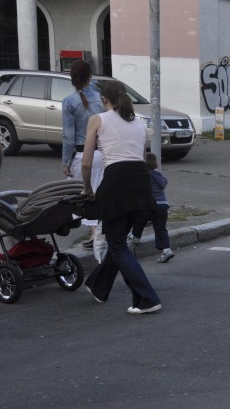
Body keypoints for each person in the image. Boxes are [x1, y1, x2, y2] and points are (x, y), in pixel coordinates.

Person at [82, 80, 162, 314]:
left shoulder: (97, 119)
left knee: (116, 244)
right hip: (141, 183)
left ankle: (147, 298)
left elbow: (86, 163)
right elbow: (141, 156)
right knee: (118, 240)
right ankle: (99, 286)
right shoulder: (138, 122)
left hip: (117, 183)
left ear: (104, 99)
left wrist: (87, 189)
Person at [61, 60, 106, 262]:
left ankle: (99, 246)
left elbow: (68, 136)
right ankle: (98, 238)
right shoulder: (101, 98)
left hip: (82, 156)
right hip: (103, 155)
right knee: (100, 199)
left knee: (83, 202)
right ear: (90, 77)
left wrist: (65, 162)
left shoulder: (69, 101)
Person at [129, 152, 175, 263]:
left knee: (140, 219)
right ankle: (166, 249)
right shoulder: (158, 175)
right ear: (156, 165)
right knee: (161, 229)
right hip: (163, 205)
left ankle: (136, 236)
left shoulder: (142, 176)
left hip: (149, 204)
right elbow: (164, 183)